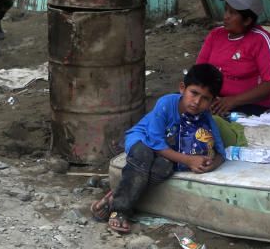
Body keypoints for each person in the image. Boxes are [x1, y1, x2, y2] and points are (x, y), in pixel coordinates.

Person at [90, 64, 226, 234]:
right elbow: (155, 144)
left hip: (167, 154)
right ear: (182, 88)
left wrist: (210, 165)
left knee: (165, 167)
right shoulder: (167, 104)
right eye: (194, 93)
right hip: (143, 140)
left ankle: (114, 196)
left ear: (213, 101)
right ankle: (121, 210)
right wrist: (189, 160)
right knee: (143, 155)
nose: (197, 102)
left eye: (205, 98)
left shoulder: (205, 118)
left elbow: (221, 152)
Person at [196, 0, 270, 116]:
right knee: (172, 103)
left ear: (247, 20)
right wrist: (206, 96)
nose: (225, 16)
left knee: (211, 124)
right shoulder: (216, 34)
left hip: (248, 105)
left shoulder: (262, 40)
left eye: (232, 13)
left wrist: (233, 101)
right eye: (226, 10)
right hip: (214, 99)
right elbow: (199, 70)